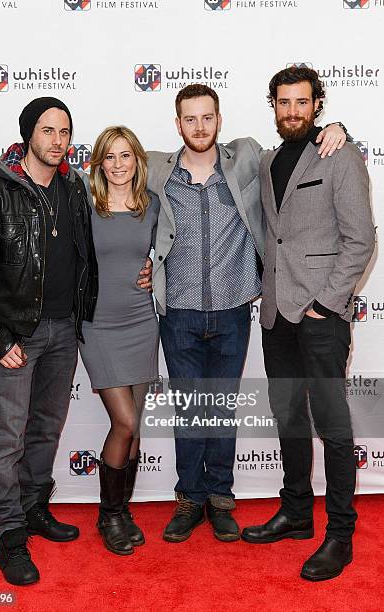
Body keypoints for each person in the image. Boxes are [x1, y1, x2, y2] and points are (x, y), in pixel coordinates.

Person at [0, 99, 151, 585]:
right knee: (8, 434)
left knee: (46, 427)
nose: (58, 140)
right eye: (48, 130)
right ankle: (9, 532)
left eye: (65, 131)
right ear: (28, 135)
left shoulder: (72, 189)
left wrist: (151, 270)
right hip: (16, 334)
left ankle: (34, 506)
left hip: (66, 329)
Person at [147, 84, 347, 544]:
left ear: (220, 120)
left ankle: (219, 499)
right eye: (190, 119)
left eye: (208, 118)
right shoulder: (157, 169)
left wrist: (338, 129)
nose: (200, 126)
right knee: (189, 412)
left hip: (234, 310)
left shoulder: (249, 160)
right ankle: (188, 500)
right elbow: (106, 170)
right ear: (178, 125)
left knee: (220, 409)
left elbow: (301, 145)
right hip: (178, 312)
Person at [241, 66, 375, 581]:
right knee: (289, 419)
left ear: (317, 104)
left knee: (334, 428)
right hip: (276, 315)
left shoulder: (340, 154)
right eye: (283, 102)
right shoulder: (271, 158)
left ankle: (340, 534)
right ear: (272, 105)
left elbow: (361, 239)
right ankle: (297, 512)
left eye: (302, 102)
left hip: (319, 316)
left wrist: (326, 303)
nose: (292, 111)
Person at [80, 126, 160, 556]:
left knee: (135, 429)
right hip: (98, 326)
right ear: (98, 163)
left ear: (137, 161)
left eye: (125, 156)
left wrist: (155, 275)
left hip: (141, 323)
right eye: (108, 157)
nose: (117, 165)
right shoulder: (86, 205)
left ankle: (122, 510)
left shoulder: (152, 206)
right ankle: (108, 514)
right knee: (124, 422)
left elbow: (167, 256)